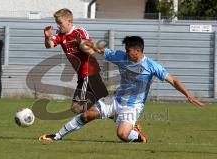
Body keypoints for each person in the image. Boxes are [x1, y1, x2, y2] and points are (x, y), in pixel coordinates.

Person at [39, 36, 204, 143]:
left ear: (138, 51)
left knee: (122, 135)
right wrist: (84, 42)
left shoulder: (151, 66)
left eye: (129, 51)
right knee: (87, 114)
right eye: (125, 50)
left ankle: (136, 134)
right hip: (116, 99)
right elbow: (99, 49)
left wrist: (188, 95)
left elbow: (173, 80)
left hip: (133, 106)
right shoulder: (121, 56)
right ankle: (57, 136)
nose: (125, 53)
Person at [44, 8, 108, 113]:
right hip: (83, 75)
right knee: (106, 104)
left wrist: (82, 45)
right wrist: (47, 37)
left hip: (89, 72)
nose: (58, 26)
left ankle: (103, 105)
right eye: (56, 23)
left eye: (60, 23)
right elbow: (49, 45)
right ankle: (106, 106)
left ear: (69, 22)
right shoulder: (60, 35)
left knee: (76, 107)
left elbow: (92, 52)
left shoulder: (80, 32)